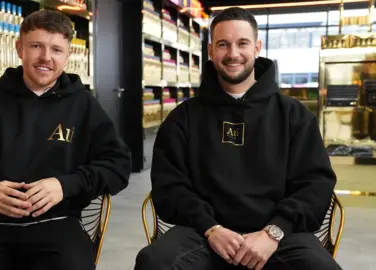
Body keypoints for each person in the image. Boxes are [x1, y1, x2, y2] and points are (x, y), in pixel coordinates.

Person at [0, 9, 131, 270]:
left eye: (56, 50)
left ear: (68, 56)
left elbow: (118, 165)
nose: (46, 57)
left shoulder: (83, 107)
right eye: (36, 46)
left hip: (57, 224)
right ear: (20, 48)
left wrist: (65, 186)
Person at [134, 7, 341, 270]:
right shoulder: (183, 118)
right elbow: (169, 186)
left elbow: (316, 184)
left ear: (257, 47)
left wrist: (274, 232)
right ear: (210, 52)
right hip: (203, 235)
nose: (233, 54)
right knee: (154, 262)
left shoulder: (293, 115)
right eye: (223, 44)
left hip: (278, 236)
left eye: (242, 43)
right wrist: (211, 228)